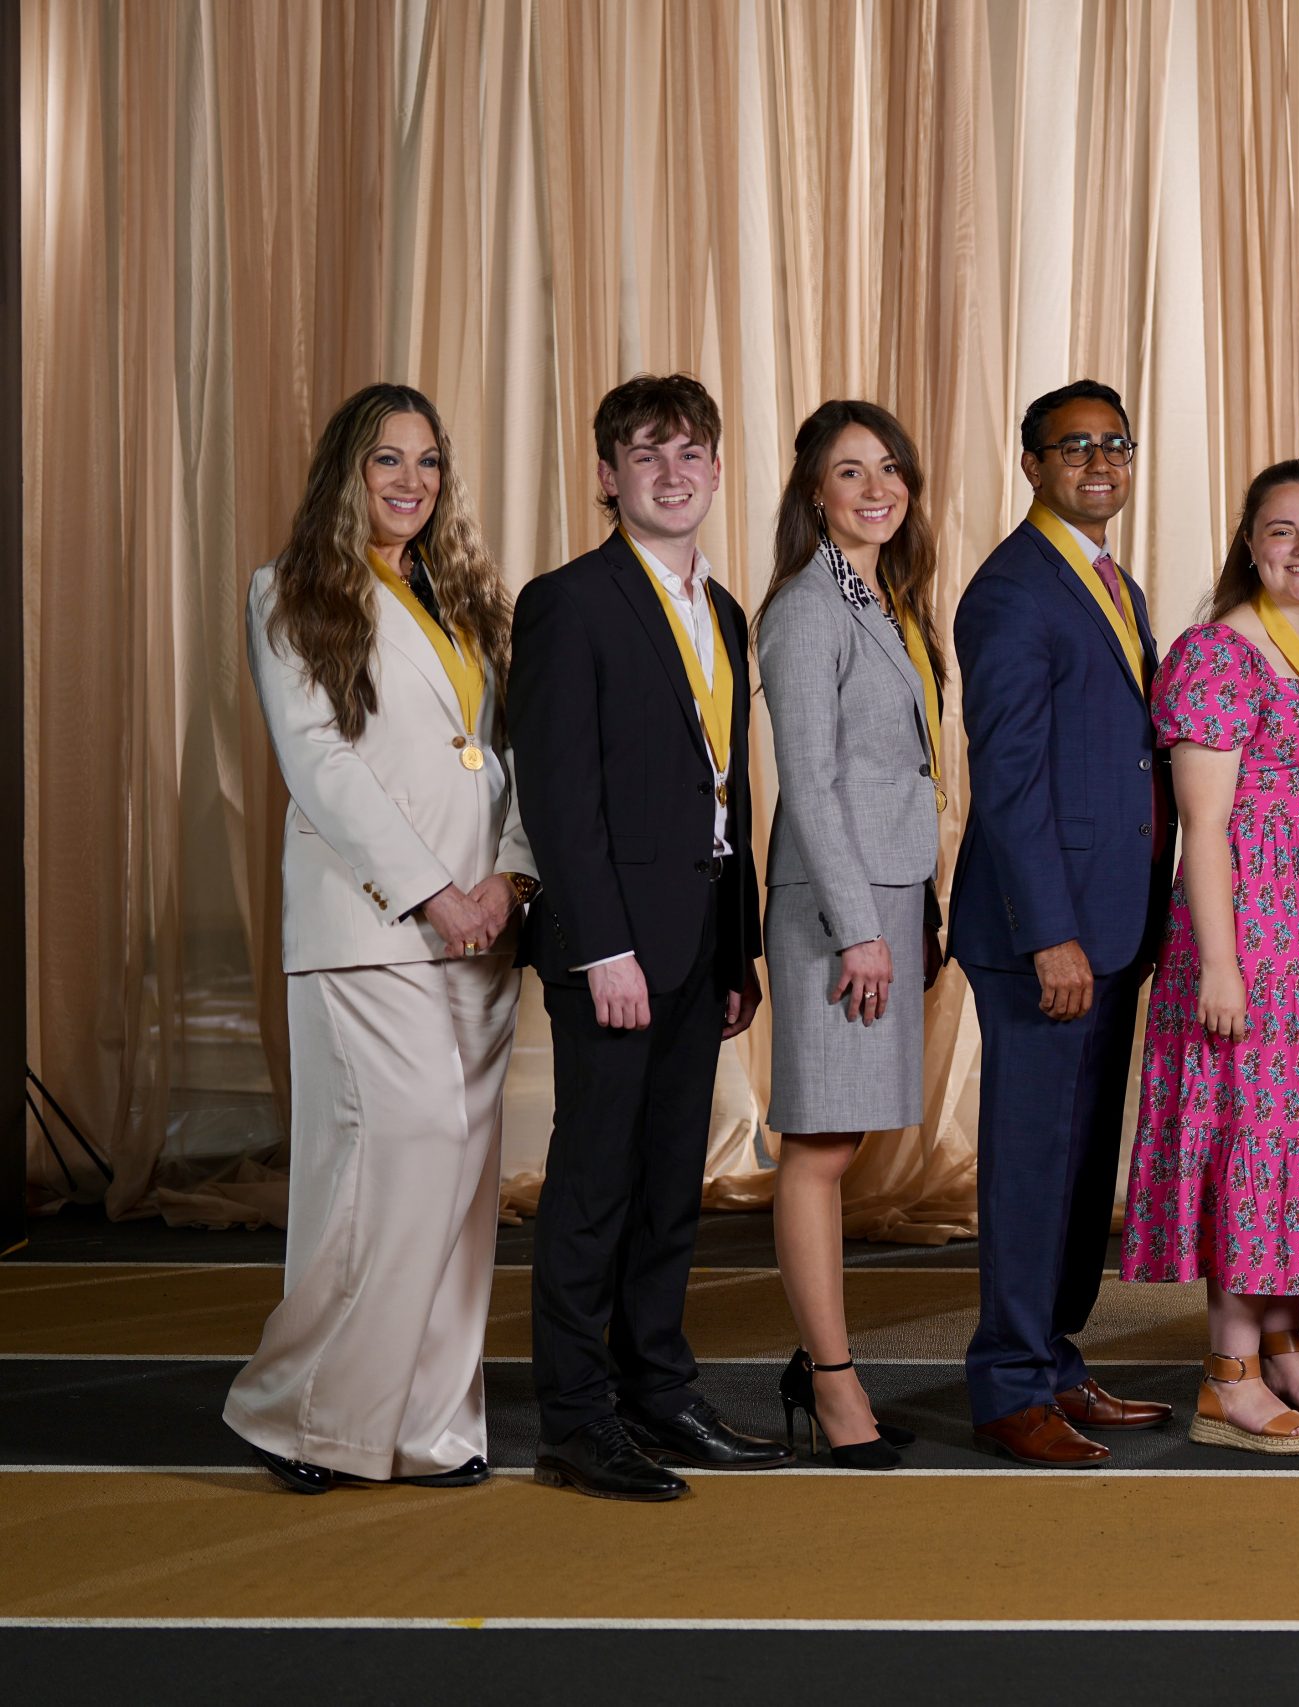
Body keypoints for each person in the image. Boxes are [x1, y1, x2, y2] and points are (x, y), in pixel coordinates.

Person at [225, 383, 532, 1494]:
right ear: (345, 473)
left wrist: (509, 874)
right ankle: (308, 1416)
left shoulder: (467, 597)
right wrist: (429, 892)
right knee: (386, 1164)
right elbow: (323, 764)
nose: (411, 482)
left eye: (429, 462)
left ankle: (428, 1427)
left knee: (458, 1185)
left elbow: (502, 755)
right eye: (386, 461)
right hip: (371, 926)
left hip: (483, 933)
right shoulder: (290, 591)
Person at [509, 373, 785, 1500]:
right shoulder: (567, 602)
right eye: (645, 454)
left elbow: (728, 792)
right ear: (608, 475)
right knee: (593, 1191)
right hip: (613, 955)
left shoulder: (722, 612)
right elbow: (560, 798)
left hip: (694, 947)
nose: (671, 474)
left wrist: (736, 952)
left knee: (673, 1187)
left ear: (717, 471)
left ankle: (657, 1393)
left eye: (689, 455)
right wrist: (600, 947)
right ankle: (577, 1419)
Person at [1124, 459, 1299, 1457]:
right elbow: (1203, 827)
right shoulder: (1217, 654)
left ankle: (1283, 1347)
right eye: (1281, 531)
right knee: (1255, 1143)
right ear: (1248, 542)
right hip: (1255, 937)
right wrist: (1220, 965)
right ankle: (1227, 1375)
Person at [950, 379, 1178, 1466]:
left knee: (1084, 1164)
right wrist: (1050, 934)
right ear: (1030, 463)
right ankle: (1004, 1385)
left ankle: (1053, 1359)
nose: (1097, 461)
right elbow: (1007, 780)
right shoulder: (1011, 591)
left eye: (1113, 444)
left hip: (1109, 926)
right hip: (1048, 937)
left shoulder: (1109, 582)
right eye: (1072, 446)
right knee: (1035, 1161)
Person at [756, 400, 951, 1472]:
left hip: (884, 896)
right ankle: (832, 1388)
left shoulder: (889, 598)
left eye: (890, 468)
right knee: (821, 1144)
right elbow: (811, 780)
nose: (877, 488)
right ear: (813, 494)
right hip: (838, 910)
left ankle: (820, 1365)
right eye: (849, 472)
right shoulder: (805, 608)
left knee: (844, 1142)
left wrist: (907, 908)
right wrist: (859, 929)